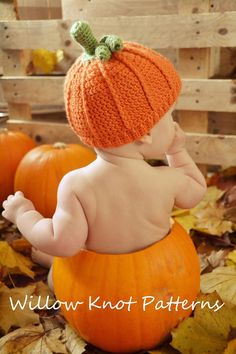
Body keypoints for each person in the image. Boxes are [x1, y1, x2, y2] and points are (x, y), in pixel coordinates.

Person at [2, 21, 207, 352]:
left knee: (62, 267)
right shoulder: (164, 180)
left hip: (99, 300)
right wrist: (177, 151)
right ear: (144, 134)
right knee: (68, 263)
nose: (175, 123)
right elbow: (196, 190)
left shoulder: (77, 185)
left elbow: (62, 242)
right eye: (169, 116)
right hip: (161, 289)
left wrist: (23, 214)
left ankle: (48, 266)